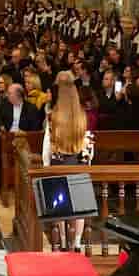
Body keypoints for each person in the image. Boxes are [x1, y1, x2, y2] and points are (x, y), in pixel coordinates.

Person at [42, 72, 94, 251]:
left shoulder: (53, 116)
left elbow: (47, 146)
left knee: (60, 206)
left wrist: (46, 166)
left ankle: (63, 241)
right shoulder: (83, 116)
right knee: (79, 207)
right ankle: (77, 243)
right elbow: (89, 143)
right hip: (79, 163)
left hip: (58, 164)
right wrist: (87, 162)